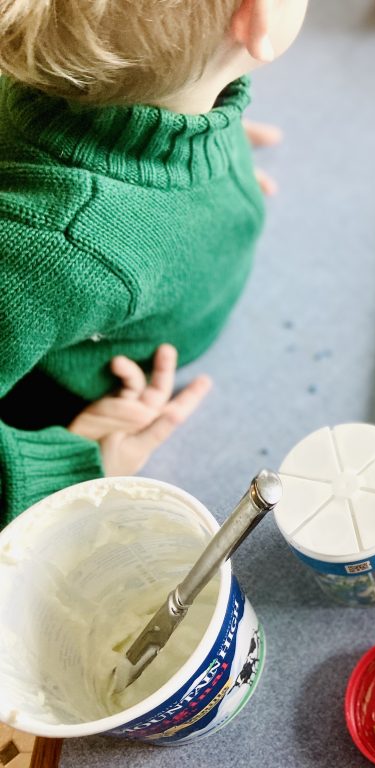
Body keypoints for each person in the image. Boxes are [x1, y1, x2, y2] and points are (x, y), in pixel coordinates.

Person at [0, 0, 309, 525]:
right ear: (253, 17)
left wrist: (196, 164)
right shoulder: (55, 243)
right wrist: (67, 467)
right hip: (60, 398)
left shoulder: (145, 94)